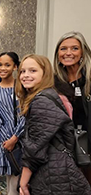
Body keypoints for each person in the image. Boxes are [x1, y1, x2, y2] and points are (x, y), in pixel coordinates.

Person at [16, 54, 91, 195]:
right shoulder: (48, 95)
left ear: (45, 74)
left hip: (54, 172)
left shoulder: (41, 102)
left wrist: (23, 182)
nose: (25, 75)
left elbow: (35, 150)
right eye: (22, 71)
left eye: (33, 71)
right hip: (56, 168)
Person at [53, 31, 91, 184]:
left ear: (82, 52)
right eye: (63, 49)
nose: (68, 53)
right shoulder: (52, 82)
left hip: (88, 146)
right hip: (63, 147)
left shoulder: (89, 79)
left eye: (74, 48)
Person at [0, 52, 25, 195]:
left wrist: (15, 138)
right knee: (12, 179)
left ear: (15, 67)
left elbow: (25, 115)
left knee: (24, 181)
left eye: (7, 65)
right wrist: (7, 141)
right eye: (0, 64)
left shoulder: (22, 87)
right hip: (6, 143)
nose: (2, 68)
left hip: (22, 139)